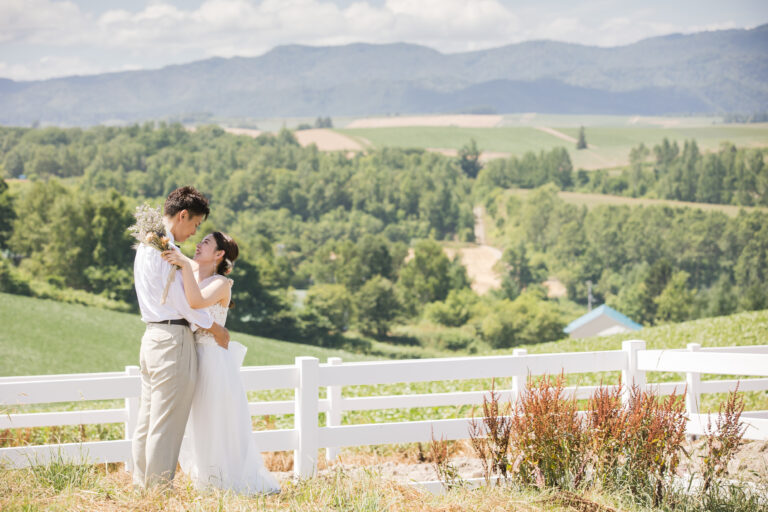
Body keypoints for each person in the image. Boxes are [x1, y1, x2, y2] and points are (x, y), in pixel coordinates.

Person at [162, 231, 281, 494]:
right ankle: (206, 479)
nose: (198, 245)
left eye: (206, 243)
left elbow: (194, 302)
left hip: (213, 359)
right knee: (197, 420)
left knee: (215, 419)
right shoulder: (191, 274)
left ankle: (222, 481)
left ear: (219, 255)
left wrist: (182, 264)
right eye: (200, 240)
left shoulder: (221, 283)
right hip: (191, 356)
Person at [131, 186, 231, 489]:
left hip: (151, 337)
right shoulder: (167, 252)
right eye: (195, 225)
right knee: (166, 424)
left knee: (147, 422)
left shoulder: (146, 247)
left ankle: (142, 487)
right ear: (183, 215)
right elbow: (184, 305)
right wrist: (214, 327)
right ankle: (159, 492)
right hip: (173, 338)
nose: (194, 232)